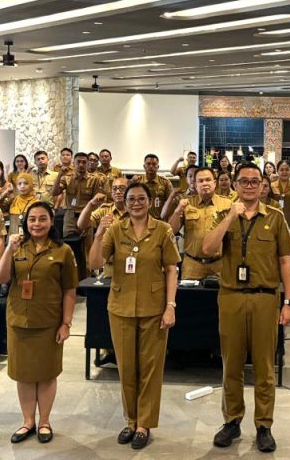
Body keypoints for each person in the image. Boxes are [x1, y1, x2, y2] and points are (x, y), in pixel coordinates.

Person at [203, 162, 290, 453]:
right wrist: (231, 216)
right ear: (235, 184)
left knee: (264, 365)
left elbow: (285, 261)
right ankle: (232, 421)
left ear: (262, 185)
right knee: (231, 363)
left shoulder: (276, 217)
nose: (249, 186)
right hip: (231, 297)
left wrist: (288, 302)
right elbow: (208, 248)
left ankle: (264, 425)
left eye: (255, 181)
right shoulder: (223, 215)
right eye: (244, 181)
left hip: (265, 298)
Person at [89, 183, 180, 450]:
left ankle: (144, 424)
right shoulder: (115, 229)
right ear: (124, 202)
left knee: (150, 368)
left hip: (154, 308)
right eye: (131, 199)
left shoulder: (162, 230)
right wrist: (99, 234)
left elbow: (171, 269)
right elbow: (95, 263)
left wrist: (170, 305)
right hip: (121, 307)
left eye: (141, 198)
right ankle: (131, 420)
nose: (136, 203)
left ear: (150, 202)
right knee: (126, 367)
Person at [0, 201, 77, 445]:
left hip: (49, 321)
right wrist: (8, 250)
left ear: (51, 221)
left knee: (47, 374)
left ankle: (44, 422)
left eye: (42, 219)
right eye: (32, 219)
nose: (37, 224)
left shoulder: (63, 251)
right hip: (19, 320)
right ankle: (28, 421)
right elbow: (0, 277)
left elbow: (69, 290)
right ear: (25, 222)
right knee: (24, 374)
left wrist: (66, 323)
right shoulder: (17, 247)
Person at [168, 167, 232, 280]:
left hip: (219, 265)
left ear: (215, 183)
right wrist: (177, 211)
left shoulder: (228, 204)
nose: (204, 184)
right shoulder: (187, 204)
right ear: (195, 185)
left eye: (208, 180)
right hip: (192, 265)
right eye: (200, 181)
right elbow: (171, 231)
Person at [52, 152, 102, 237]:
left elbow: (96, 201)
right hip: (70, 216)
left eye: (84, 162)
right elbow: (54, 193)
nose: (81, 164)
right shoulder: (67, 178)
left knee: (86, 242)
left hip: (86, 215)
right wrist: (60, 175)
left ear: (87, 163)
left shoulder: (94, 179)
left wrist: (92, 217)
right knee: (69, 241)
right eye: (78, 162)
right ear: (73, 163)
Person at [134, 154, 172, 220]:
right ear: (144, 166)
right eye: (148, 164)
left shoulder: (165, 182)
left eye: (154, 164)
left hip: (159, 221)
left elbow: (171, 203)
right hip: (140, 220)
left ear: (158, 167)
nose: (151, 166)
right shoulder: (137, 182)